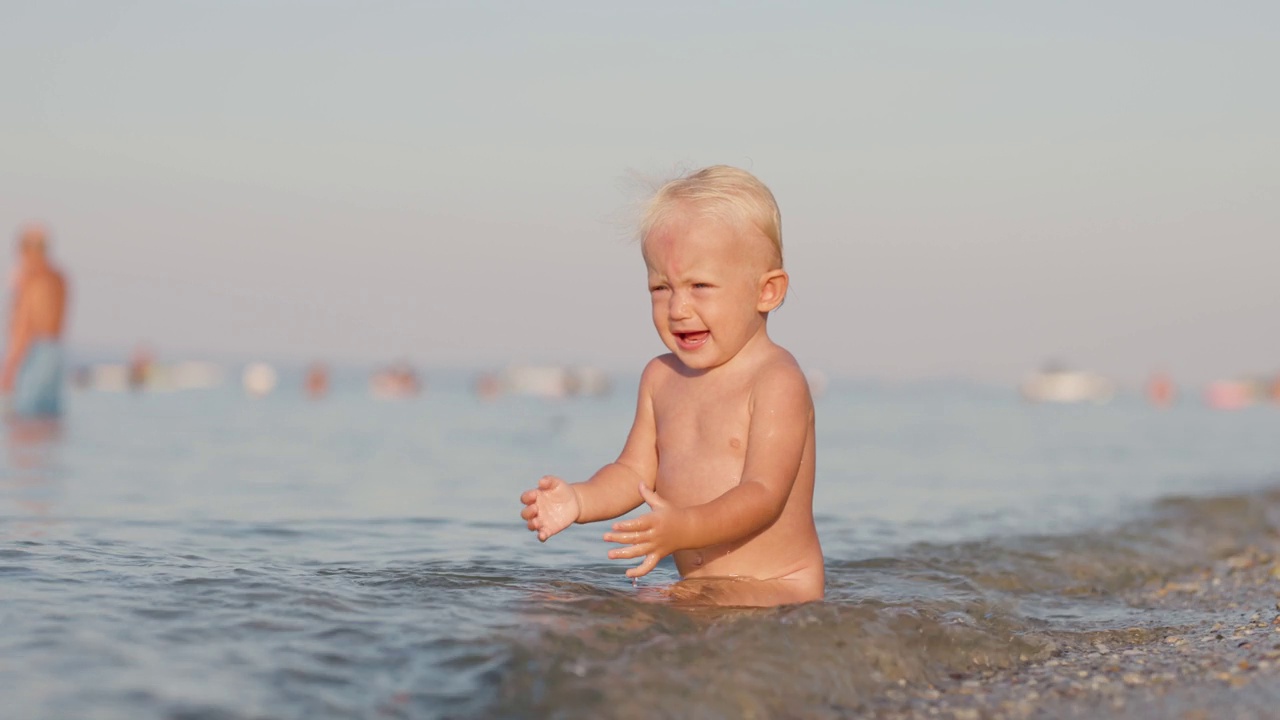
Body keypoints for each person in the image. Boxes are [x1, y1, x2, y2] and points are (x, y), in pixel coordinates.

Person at [519, 166, 823, 606]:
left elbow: (764, 495)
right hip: (705, 589)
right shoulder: (661, 378)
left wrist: (685, 528)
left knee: (646, 615)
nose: (678, 308)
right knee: (589, 616)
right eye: (661, 287)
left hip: (780, 588)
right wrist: (579, 501)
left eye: (700, 286)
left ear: (768, 292)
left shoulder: (776, 380)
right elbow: (633, 474)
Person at [1, 225, 69, 418]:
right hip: (55, 350)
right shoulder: (59, 277)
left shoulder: (30, 277)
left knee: (25, 422)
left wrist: (10, 364)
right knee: (48, 421)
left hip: (33, 351)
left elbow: (26, 321)